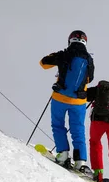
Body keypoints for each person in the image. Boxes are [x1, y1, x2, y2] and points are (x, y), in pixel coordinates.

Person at [40, 30, 94, 171]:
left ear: (70, 40)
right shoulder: (89, 59)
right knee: (78, 129)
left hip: (60, 97)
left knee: (58, 125)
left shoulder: (63, 54)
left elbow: (43, 63)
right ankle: (80, 161)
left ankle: (63, 155)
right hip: (79, 101)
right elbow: (90, 78)